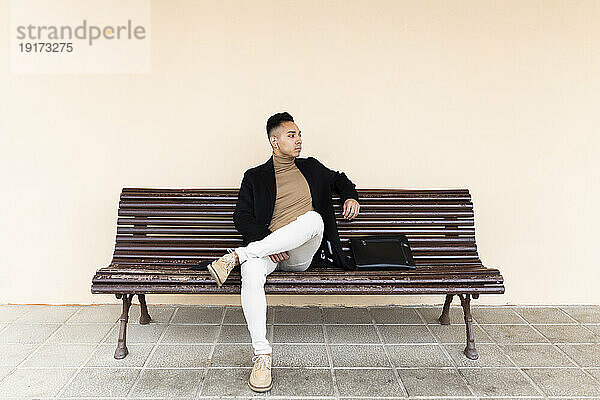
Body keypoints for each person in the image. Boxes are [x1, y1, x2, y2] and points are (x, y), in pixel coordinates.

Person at [207, 112, 360, 392]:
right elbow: (241, 217)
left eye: (300, 134)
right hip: (270, 253)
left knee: (314, 219)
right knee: (252, 271)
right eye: (292, 135)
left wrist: (351, 196)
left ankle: (238, 256)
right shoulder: (254, 177)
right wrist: (269, 241)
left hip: (301, 254)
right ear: (274, 141)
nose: (299, 140)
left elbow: (341, 180)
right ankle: (262, 356)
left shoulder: (312, 168)